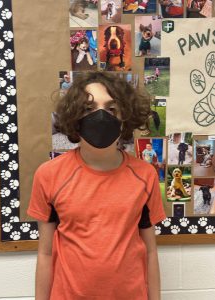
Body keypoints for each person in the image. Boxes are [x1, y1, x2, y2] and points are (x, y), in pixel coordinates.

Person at [27, 71, 166, 300]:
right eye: (88, 109)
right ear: (74, 117)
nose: (100, 117)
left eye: (111, 109)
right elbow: (45, 252)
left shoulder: (145, 175)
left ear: (125, 117)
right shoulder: (49, 175)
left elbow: (150, 251)